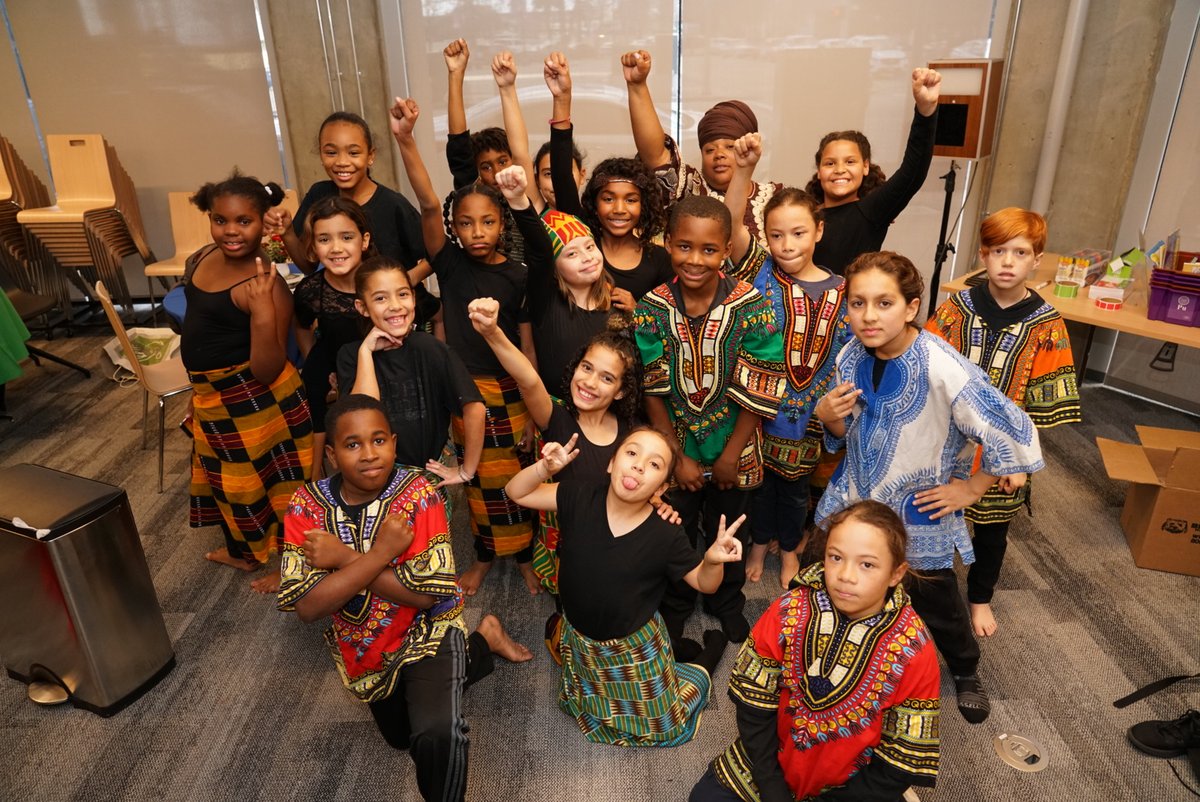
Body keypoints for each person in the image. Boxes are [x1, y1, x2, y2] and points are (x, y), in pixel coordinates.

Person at [814, 251, 1044, 724]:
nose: (869, 316)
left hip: (916, 511)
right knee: (843, 584)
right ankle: (846, 659)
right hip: (857, 497)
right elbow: (845, 432)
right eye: (857, 303)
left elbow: (1014, 427)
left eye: (884, 303)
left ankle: (964, 669)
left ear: (911, 306)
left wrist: (974, 488)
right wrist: (828, 419)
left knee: (935, 601)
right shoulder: (849, 354)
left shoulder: (943, 367)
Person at [278, 394, 531, 802]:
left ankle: (467, 646)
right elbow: (309, 607)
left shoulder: (418, 492)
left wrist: (344, 559)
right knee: (402, 738)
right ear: (330, 453)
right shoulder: (306, 506)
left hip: (431, 630)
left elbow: (425, 597)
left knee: (436, 734)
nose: (369, 454)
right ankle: (484, 642)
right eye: (353, 444)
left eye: (379, 440)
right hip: (366, 648)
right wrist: (381, 555)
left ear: (394, 443)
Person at [390, 95, 545, 596]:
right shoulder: (451, 264)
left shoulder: (520, 274)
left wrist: (532, 404)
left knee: (518, 477)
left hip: (510, 389)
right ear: (453, 231)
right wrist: (407, 140)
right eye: (466, 224)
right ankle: (483, 554)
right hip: (465, 388)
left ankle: (523, 555)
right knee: (475, 482)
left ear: (503, 223)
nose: (477, 232)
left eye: (488, 222)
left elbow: (525, 340)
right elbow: (429, 201)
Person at [690, 500, 940, 802]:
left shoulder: (914, 648)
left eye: (867, 564)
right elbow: (754, 704)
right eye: (836, 557)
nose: (846, 575)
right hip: (768, 765)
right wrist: (771, 787)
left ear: (896, 574)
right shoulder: (790, 609)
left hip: (851, 788)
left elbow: (902, 756)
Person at [505, 427, 741, 746]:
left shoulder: (666, 533)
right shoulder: (578, 495)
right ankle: (677, 649)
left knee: (666, 728)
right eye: (631, 453)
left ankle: (709, 652)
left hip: (633, 648)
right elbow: (516, 492)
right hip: (583, 641)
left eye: (654, 464)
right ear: (611, 463)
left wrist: (712, 560)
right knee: (589, 706)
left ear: (663, 487)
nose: (639, 465)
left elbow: (704, 584)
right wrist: (543, 469)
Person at [633, 194, 785, 654]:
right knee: (675, 529)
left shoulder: (751, 304)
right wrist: (676, 456)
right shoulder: (653, 307)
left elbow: (762, 385)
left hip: (734, 448)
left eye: (708, 250)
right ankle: (677, 604)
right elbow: (652, 387)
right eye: (683, 246)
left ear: (725, 251)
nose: (694, 260)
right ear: (666, 244)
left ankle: (726, 599)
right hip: (674, 445)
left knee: (730, 526)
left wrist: (729, 455)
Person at [925, 208, 1081, 637]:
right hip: (946, 440)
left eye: (1020, 252)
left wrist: (1018, 463)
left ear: (1037, 260)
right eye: (998, 251)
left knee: (991, 535)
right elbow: (928, 368)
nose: (1008, 262)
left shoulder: (1047, 325)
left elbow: (1040, 406)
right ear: (983, 255)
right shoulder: (957, 309)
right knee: (930, 517)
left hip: (1003, 453)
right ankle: (925, 591)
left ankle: (978, 600)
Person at [724, 133, 853, 589]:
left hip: (811, 414)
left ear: (819, 231)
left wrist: (833, 409)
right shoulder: (760, 271)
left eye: (798, 233)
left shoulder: (843, 290)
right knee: (758, 487)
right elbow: (731, 227)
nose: (786, 244)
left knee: (796, 491)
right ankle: (760, 543)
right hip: (757, 406)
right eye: (775, 234)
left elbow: (849, 355)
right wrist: (743, 170)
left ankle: (792, 550)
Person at [182, 170, 313, 592]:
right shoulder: (202, 258)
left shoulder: (265, 286)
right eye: (221, 220)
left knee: (281, 487)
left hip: (258, 401)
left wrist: (260, 313)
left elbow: (268, 369)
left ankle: (294, 565)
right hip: (214, 397)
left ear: (262, 223)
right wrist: (196, 390)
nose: (231, 231)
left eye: (244, 222)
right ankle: (243, 553)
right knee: (232, 486)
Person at [264, 111, 438, 330]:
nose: (342, 162)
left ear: (370, 155)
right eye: (331, 152)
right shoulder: (320, 194)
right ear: (320, 153)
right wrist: (288, 232)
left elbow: (438, 255)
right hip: (349, 320)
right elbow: (309, 265)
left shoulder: (393, 205)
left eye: (353, 152)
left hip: (396, 319)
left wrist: (403, 280)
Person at [336, 256, 485, 491]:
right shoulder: (351, 356)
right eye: (381, 298)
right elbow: (361, 420)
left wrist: (467, 470)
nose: (395, 305)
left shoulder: (431, 349)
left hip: (428, 480)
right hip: (372, 481)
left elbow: (474, 408)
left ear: (414, 298)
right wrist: (366, 352)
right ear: (362, 307)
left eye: (403, 294)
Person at [544, 50, 672, 304]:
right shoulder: (583, 240)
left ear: (644, 204)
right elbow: (561, 176)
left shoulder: (659, 260)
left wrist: (637, 313)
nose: (619, 209)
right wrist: (562, 97)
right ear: (594, 201)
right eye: (609, 198)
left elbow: (668, 328)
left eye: (631, 200)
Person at [621, 49, 781, 247]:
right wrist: (637, 86)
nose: (719, 155)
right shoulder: (690, 187)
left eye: (729, 147)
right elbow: (655, 155)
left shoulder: (774, 197)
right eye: (709, 150)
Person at [492, 164, 618, 399]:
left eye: (590, 247)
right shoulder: (546, 301)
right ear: (554, 268)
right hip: (560, 416)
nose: (587, 257)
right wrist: (519, 200)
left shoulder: (616, 303)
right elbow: (540, 253)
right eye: (571, 254)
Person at [807, 68, 942, 275]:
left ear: (865, 167)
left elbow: (913, 170)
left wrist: (925, 111)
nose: (840, 170)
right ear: (819, 171)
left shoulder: (871, 211)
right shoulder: (806, 214)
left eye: (850, 161)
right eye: (830, 163)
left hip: (850, 305)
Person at [293, 196, 376, 479]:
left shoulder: (383, 279)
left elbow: (426, 313)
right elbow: (302, 327)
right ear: (314, 247)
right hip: (330, 365)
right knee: (315, 393)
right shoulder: (310, 290)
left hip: (379, 365)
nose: (336, 248)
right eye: (325, 239)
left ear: (363, 241)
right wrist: (314, 359)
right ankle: (318, 480)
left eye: (346, 237)